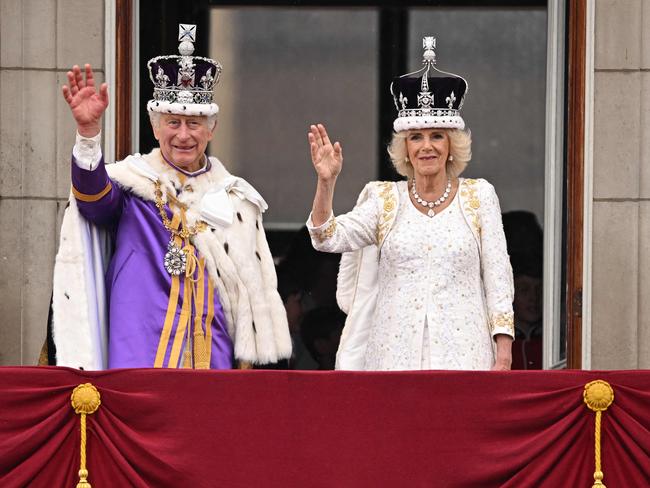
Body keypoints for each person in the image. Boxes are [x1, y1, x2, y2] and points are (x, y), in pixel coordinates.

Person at [45, 24, 291, 370]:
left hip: (213, 352)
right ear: (155, 126)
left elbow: (249, 295)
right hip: (140, 350)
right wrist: (88, 135)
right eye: (173, 122)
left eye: (194, 123)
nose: (183, 135)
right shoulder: (134, 186)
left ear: (212, 128)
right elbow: (93, 200)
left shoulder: (236, 199)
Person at [306, 36, 514, 371]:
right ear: (405, 147)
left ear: (451, 144)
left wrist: (503, 353)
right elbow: (326, 237)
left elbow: (498, 279)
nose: (426, 147)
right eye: (416, 137)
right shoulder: (383, 199)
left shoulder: (479, 196)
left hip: (466, 357)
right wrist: (326, 182)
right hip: (393, 358)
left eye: (436, 136)